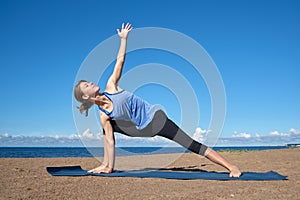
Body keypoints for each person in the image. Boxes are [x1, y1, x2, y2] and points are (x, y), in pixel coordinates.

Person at [74, 23, 242, 177]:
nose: (91, 83)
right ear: (85, 96)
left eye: (88, 82)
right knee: (107, 129)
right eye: (87, 85)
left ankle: (231, 166)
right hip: (143, 129)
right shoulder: (103, 115)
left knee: (191, 144)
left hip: (157, 120)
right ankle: (107, 165)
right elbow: (109, 141)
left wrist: (124, 39)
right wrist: (108, 165)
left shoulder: (111, 87)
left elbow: (120, 61)